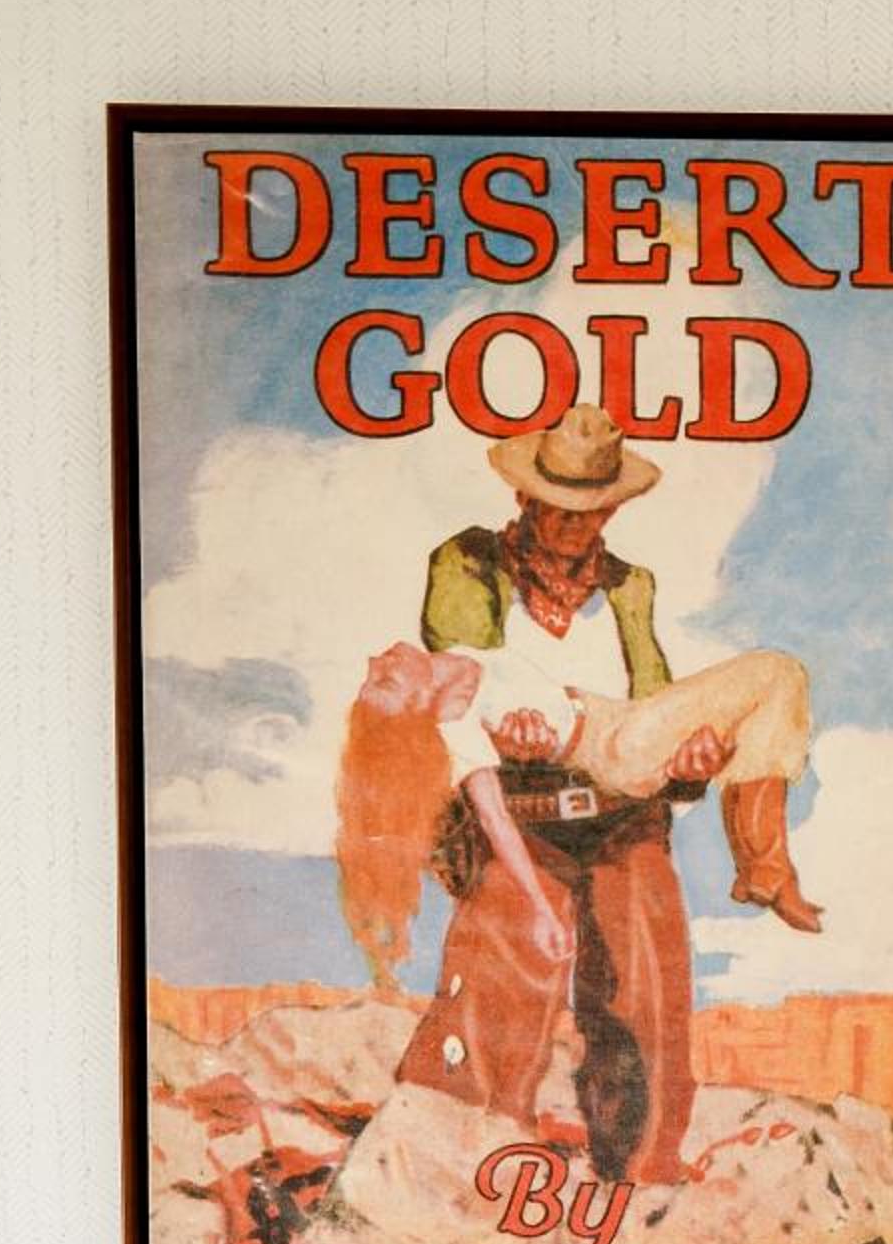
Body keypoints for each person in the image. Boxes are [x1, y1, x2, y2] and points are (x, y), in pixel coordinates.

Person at [335, 404, 821, 1183]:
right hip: (522, 818)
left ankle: (643, 1181)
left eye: (590, 509)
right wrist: (512, 735)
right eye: (557, 505)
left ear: (612, 509)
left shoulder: (630, 588)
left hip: (625, 816)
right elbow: (459, 680)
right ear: (524, 497)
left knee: (647, 993)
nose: (572, 523)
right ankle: (457, 1173)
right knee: (496, 984)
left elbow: (654, 702)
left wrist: (692, 762)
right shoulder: (468, 563)